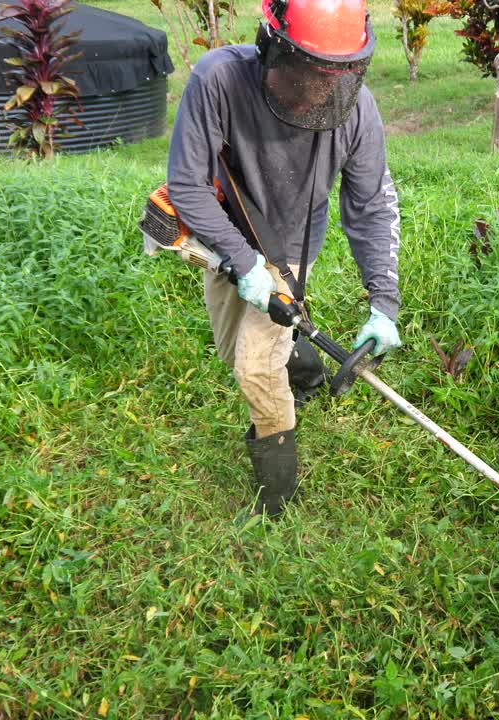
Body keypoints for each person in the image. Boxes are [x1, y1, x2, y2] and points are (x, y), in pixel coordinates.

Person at [166, 0, 403, 518]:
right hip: (222, 233)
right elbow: (187, 184)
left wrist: (384, 303)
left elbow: (369, 206)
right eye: (307, 71)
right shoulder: (218, 82)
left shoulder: (356, 111)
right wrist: (239, 260)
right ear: (273, 46)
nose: (322, 89)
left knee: (255, 367)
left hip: (294, 242)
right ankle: (308, 373)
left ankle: (277, 503)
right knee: (234, 349)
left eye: (338, 75)